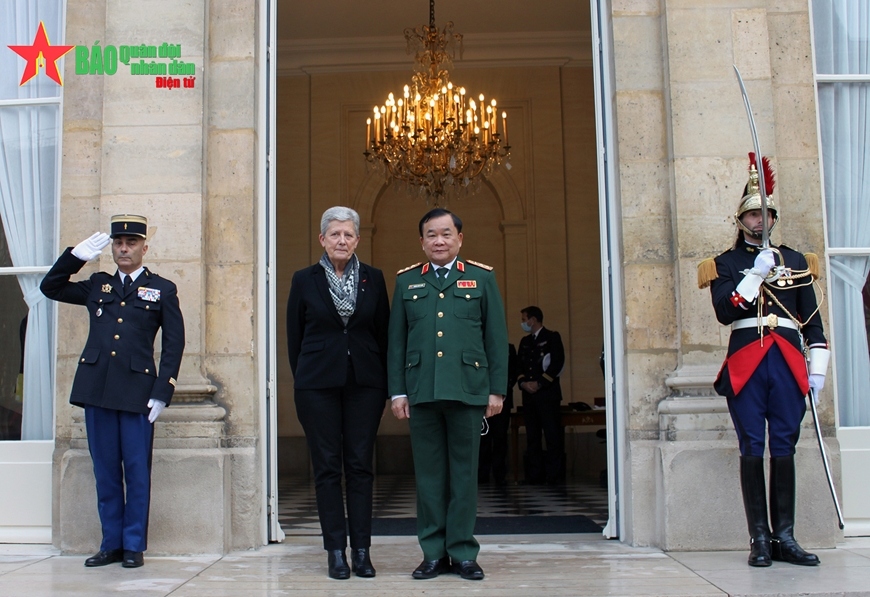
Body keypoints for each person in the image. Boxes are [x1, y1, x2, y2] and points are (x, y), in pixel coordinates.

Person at [698, 154, 830, 567]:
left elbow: (812, 321)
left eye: (765, 214)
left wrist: (818, 367)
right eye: (753, 214)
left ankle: (785, 537)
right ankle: (758, 538)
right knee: (753, 446)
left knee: (785, 446)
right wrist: (753, 274)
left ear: (774, 218)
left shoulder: (797, 261)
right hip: (748, 362)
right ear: (741, 220)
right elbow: (726, 310)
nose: (760, 220)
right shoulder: (726, 263)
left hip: (788, 362)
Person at [40, 214, 185, 569]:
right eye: (118, 243)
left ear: (144, 247)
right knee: (105, 471)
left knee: (136, 471)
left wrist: (162, 390)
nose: (123, 248)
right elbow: (51, 287)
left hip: (137, 392)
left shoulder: (162, 289)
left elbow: (174, 343)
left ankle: (133, 545)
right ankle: (111, 543)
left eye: (131, 242)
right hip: (98, 389)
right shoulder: (98, 285)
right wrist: (76, 256)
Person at [388, 208, 508, 581]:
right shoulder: (407, 283)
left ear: (459, 238)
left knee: (463, 476)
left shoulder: (481, 278)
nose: (438, 241)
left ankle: (463, 552)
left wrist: (496, 391)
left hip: (468, 392)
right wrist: (397, 392)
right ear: (421, 241)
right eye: (430, 235)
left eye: (445, 234)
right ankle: (433, 553)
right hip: (422, 392)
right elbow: (397, 343)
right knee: (428, 478)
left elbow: (495, 338)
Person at [286, 206, 390, 580]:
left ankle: (361, 551)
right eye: (335, 235)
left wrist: (387, 389)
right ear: (322, 239)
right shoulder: (304, 279)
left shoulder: (374, 279)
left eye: (348, 235)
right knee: (328, 469)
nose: (342, 240)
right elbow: (294, 338)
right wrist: (305, 380)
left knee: (360, 467)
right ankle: (335, 552)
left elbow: (384, 335)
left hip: (365, 385)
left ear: (358, 240)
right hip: (317, 386)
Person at [516, 306, 565, 485]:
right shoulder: (525, 341)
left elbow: (557, 363)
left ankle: (555, 476)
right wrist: (523, 383)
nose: (523, 323)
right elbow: (519, 365)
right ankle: (534, 475)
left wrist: (540, 383)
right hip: (529, 397)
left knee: (552, 436)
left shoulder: (552, 337)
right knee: (532, 436)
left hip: (547, 395)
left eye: (524, 319)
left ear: (533, 320)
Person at [478, 343, 517, 486]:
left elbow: (512, 372)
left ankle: (500, 474)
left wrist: (501, 392)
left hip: (502, 401)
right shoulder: (479, 346)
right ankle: (482, 474)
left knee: (500, 439)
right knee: (483, 439)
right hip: (481, 401)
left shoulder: (508, 348)